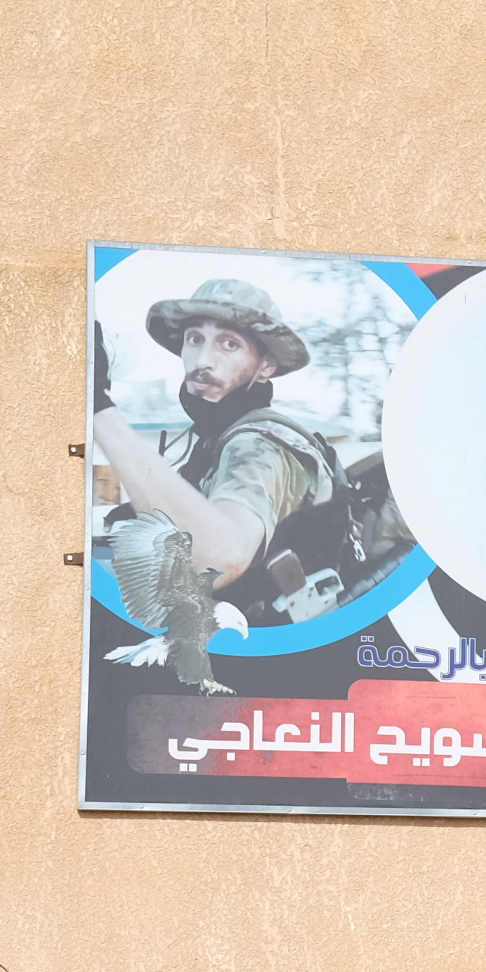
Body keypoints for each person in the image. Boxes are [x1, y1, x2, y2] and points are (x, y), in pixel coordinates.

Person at [91, 274, 388, 692]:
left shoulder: (259, 444)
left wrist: (99, 407)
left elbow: (217, 558)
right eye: (194, 339)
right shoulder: (216, 440)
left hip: (274, 673)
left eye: (228, 344)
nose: (202, 360)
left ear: (266, 365)